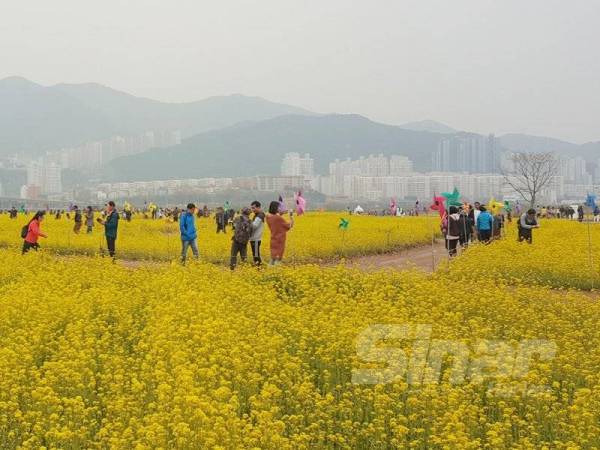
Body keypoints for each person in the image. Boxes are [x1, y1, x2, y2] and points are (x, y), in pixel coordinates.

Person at [266, 200, 294, 265]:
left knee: (273, 258)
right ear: (275, 208)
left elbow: (276, 218)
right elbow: (289, 226)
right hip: (280, 240)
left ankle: (269, 271)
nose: (280, 208)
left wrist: (281, 214)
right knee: (278, 259)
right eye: (279, 207)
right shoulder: (278, 218)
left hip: (273, 239)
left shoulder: (268, 217)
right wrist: (291, 218)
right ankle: (276, 272)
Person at [249, 200, 266, 265]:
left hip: (256, 239)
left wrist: (248, 223)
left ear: (258, 207)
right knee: (255, 255)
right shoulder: (257, 215)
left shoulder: (260, 215)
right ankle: (259, 268)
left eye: (254, 208)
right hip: (254, 238)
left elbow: (254, 226)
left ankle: (259, 268)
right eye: (252, 208)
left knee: (256, 255)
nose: (252, 209)